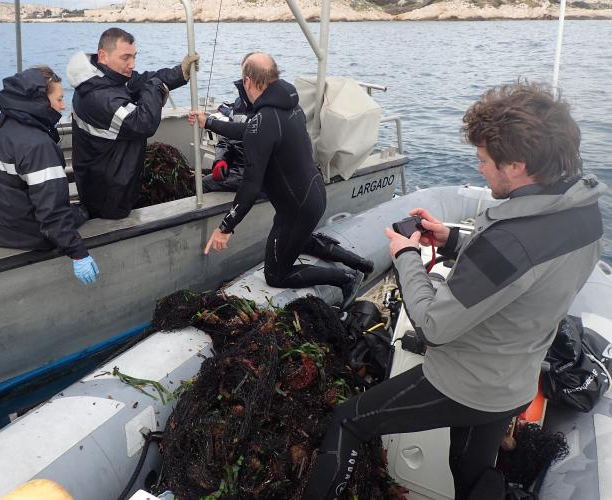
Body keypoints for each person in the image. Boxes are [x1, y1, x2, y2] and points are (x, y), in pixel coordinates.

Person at [301, 81, 606, 499]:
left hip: (467, 384)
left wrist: (406, 253)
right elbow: (527, 271)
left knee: (349, 421)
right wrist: (450, 240)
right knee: (469, 471)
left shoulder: (510, 240)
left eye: (483, 160)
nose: (478, 167)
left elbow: (434, 326)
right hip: (514, 381)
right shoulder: (584, 213)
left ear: (517, 165)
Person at [189, 53, 373, 309]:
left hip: (296, 209)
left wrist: (225, 228)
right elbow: (251, 130)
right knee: (302, 240)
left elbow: (251, 187)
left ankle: (346, 278)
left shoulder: (265, 119)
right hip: (313, 194)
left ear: (248, 80)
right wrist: (208, 122)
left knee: (276, 275)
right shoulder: (288, 105)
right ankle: (362, 263)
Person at [0, 66, 99, 285]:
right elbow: (52, 213)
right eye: (59, 99)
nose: (63, 106)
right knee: (85, 212)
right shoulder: (38, 145)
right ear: (40, 101)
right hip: (21, 234)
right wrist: (78, 253)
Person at [66, 27, 200, 219]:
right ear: (103, 55)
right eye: (125, 58)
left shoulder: (107, 78)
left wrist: (181, 72)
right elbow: (144, 123)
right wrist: (155, 89)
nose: (132, 64)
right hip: (107, 196)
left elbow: (144, 79)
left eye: (134, 57)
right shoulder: (99, 97)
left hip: (114, 180)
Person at [202, 56, 254, 192]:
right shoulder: (239, 103)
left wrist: (209, 122)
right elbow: (226, 138)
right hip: (235, 168)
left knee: (203, 184)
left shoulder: (267, 109)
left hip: (255, 175)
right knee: (203, 176)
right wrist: (220, 160)